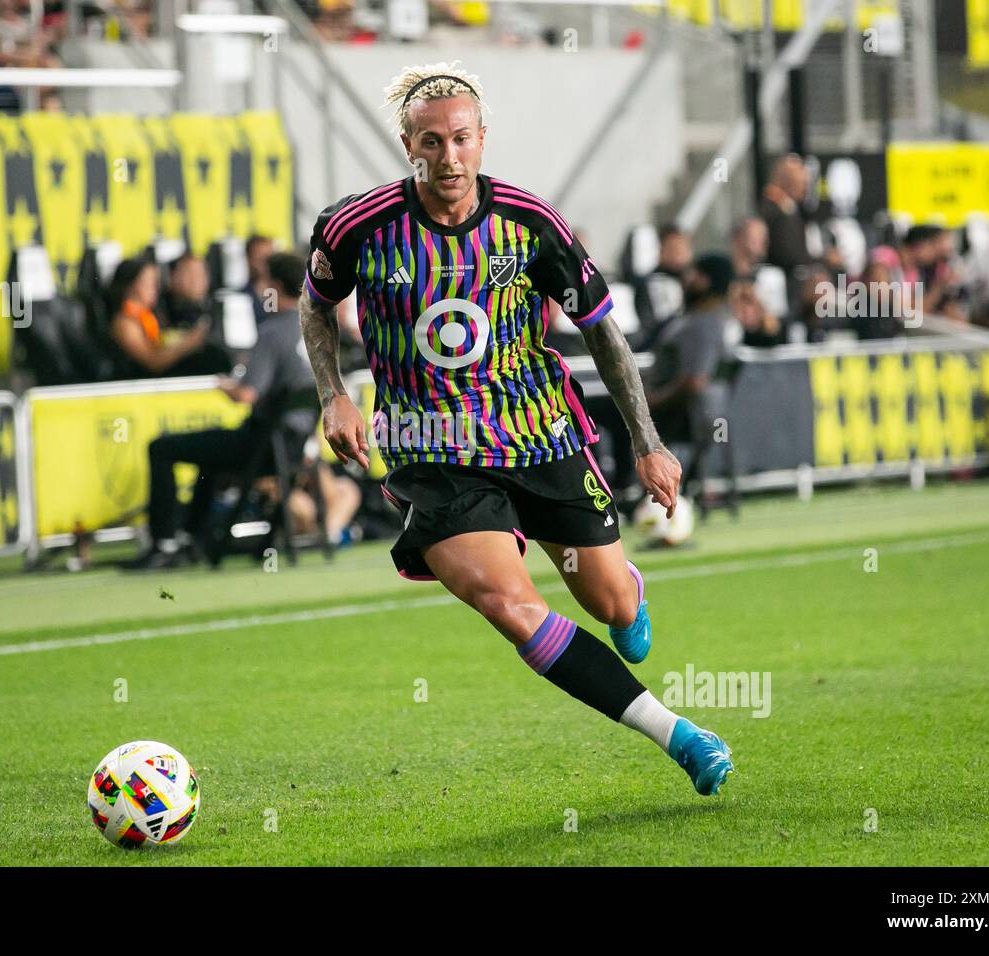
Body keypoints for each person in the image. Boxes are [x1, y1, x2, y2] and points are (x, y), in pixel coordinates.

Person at [298, 63, 732, 797]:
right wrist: (333, 393)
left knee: (609, 606)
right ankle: (676, 733)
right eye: (430, 142)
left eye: (462, 139)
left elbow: (603, 333)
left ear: (481, 138)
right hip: (433, 454)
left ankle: (627, 588)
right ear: (408, 144)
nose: (449, 157)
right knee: (510, 604)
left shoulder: (531, 224)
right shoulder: (357, 227)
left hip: (539, 436)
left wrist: (647, 441)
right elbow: (314, 306)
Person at [123, 252, 318, 571]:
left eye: (264, 280)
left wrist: (225, 385)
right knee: (210, 459)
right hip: (294, 447)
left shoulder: (272, 332)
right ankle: (193, 539)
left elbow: (245, 395)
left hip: (262, 447)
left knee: (161, 447)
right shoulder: (311, 326)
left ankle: (164, 544)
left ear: (275, 285)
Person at [644, 253, 734, 463]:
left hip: (683, 415)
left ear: (705, 281)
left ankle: (620, 482)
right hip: (709, 412)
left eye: (693, 274)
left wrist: (651, 401)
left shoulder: (703, 323)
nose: (686, 280)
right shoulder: (711, 317)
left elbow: (695, 381)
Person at [107, 258, 209, 378]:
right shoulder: (124, 323)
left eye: (156, 283)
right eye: (149, 283)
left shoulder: (150, 316)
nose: (155, 289)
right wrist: (192, 340)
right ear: (131, 285)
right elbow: (152, 362)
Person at [159, 252, 232, 375]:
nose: (195, 280)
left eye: (200, 274)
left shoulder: (221, 309)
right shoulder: (159, 311)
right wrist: (194, 337)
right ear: (172, 277)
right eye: (188, 274)